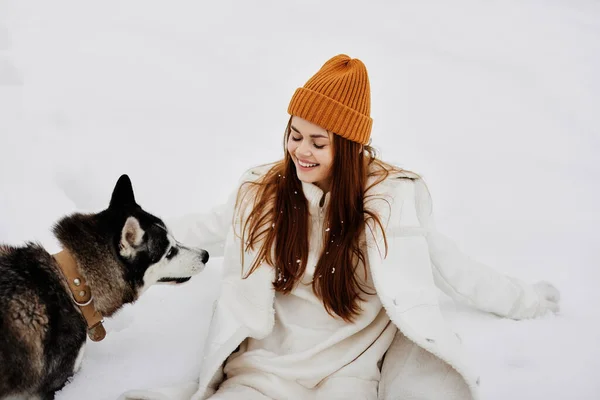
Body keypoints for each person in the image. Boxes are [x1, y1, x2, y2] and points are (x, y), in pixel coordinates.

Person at [120, 54, 560, 400]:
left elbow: (454, 268)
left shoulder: (387, 205)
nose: (301, 151)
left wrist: (528, 301)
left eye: (318, 142)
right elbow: (198, 229)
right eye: (295, 135)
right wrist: (113, 243)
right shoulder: (264, 193)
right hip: (263, 371)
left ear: (347, 147)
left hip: (347, 376)